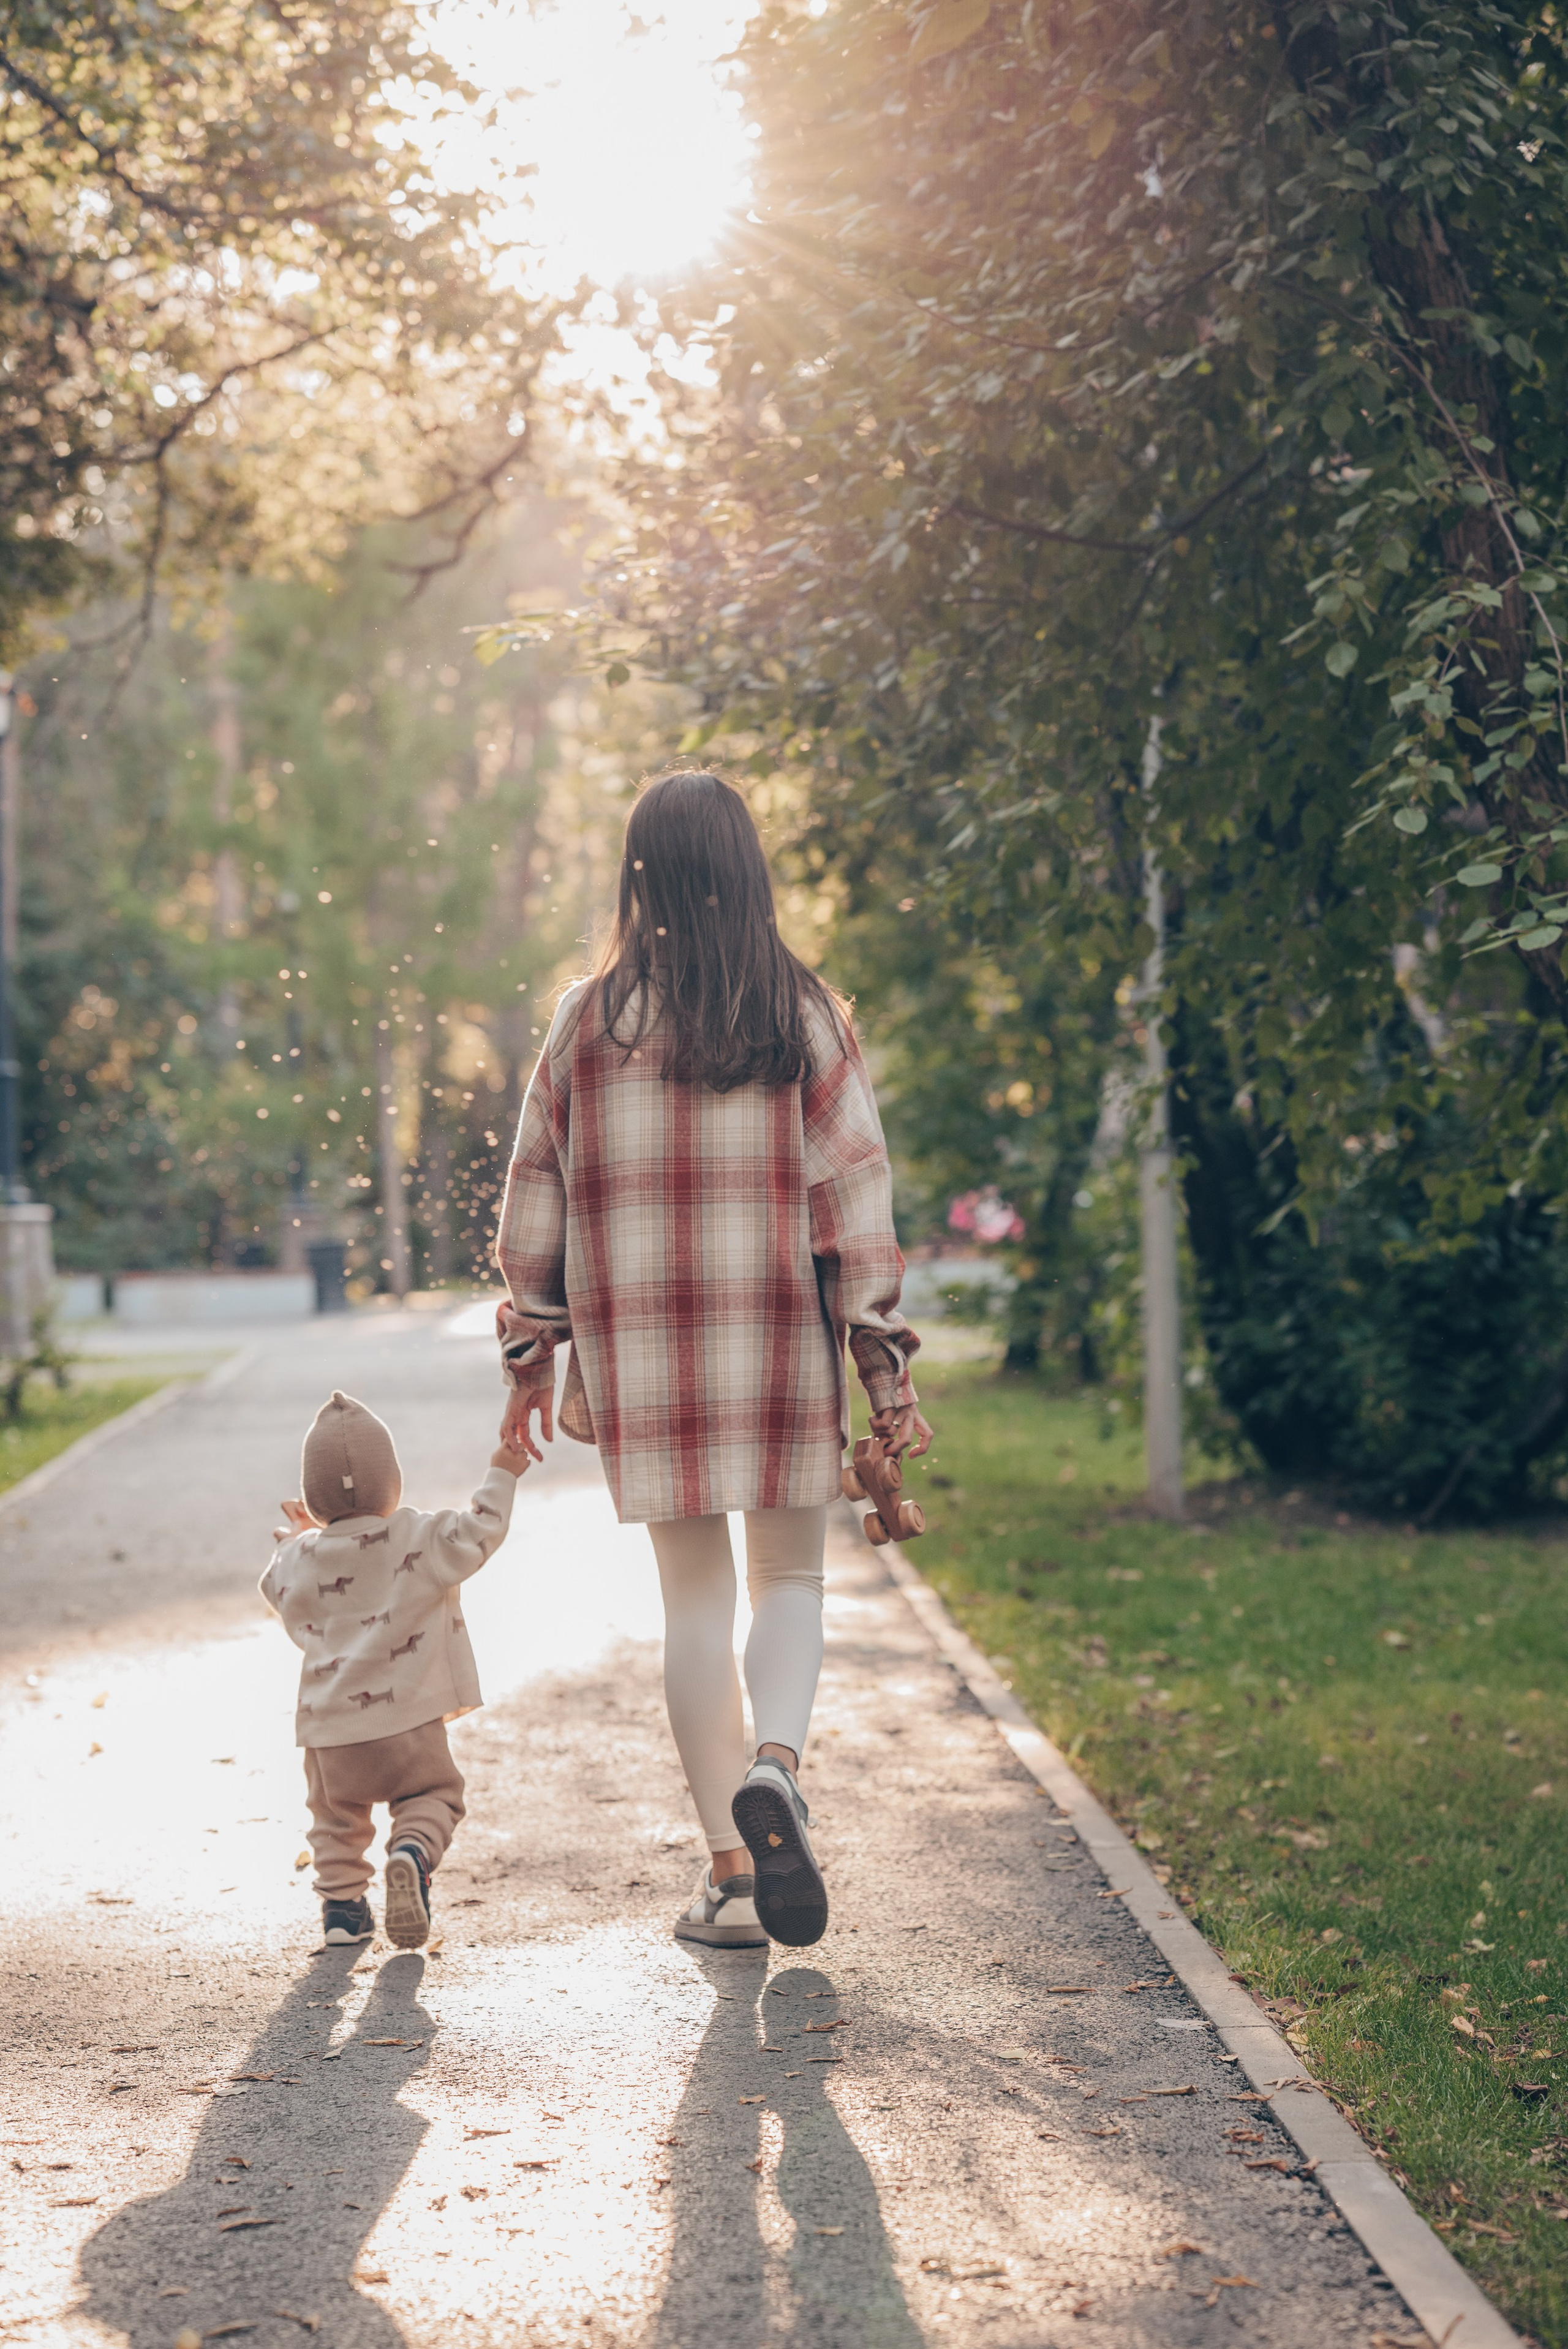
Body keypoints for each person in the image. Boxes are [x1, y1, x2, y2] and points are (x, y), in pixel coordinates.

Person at [493, 769, 929, 1951]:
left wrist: (532, 1346)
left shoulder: (586, 1023)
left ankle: (734, 1879)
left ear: (638, 879)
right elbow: (859, 1204)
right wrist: (884, 1371)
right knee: (793, 1584)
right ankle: (776, 1766)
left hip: (648, 1361)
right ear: (750, 871)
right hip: (779, 1346)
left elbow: (537, 1200)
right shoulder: (802, 1018)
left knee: (694, 1603)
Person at [262, 1389, 529, 1949]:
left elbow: (277, 1587)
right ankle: (411, 1850)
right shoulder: (418, 1535)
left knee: (334, 1821)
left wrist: (298, 1539)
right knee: (435, 1795)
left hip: (330, 1732)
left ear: (314, 1497)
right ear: (393, 1483)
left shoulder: (300, 1556)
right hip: (409, 1724)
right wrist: (502, 1471)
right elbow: (480, 1531)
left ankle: (342, 1911)